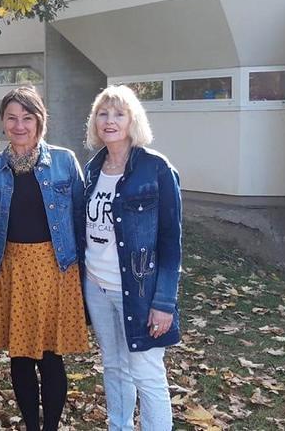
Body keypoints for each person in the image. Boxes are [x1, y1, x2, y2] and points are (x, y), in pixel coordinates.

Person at [0, 86, 89, 431]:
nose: (19, 125)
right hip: (12, 268)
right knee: (20, 357)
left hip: (55, 268)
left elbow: (79, 216)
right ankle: (31, 425)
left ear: (40, 121)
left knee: (51, 356)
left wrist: (81, 273)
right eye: (11, 118)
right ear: (3, 122)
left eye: (27, 118)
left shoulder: (64, 161)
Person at [82, 85, 181, 431]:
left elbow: (170, 243)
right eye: (103, 114)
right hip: (96, 285)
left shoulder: (156, 169)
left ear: (132, 120)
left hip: (139, 291)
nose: (109, 121)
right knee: (114, 366)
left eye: (119, 114)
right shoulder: (93, 169)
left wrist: (164, 303)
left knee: (146, 373)